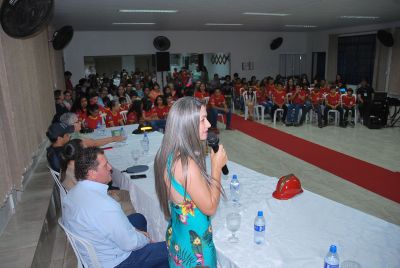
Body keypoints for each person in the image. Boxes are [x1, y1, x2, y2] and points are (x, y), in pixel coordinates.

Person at [62, 147, 169, 267]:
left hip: (96, 249)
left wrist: (135, 233)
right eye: (105, 165)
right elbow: (130, 244)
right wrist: (146, 238)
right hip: (118, 263)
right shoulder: (105, 205)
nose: (110, 168)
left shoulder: (71, 194)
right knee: (173, 249)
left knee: (138, 218)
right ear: (92, 174)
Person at [154, 97, 228, 267]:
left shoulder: (168, 153)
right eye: (202, 119)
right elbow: (209, 207)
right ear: (187, 125)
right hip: (195, 250)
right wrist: (216, 167)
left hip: (180, 237)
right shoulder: (186, 165)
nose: (209, 124)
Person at [59, 139, 135, 215]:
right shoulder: (77, 173)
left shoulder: (66, 166)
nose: (89, 149)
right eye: (86, 148)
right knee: (135, 203)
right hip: (100, 207)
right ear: (82, 154)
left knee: (130, 194)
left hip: (94, 200)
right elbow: (96, 199)